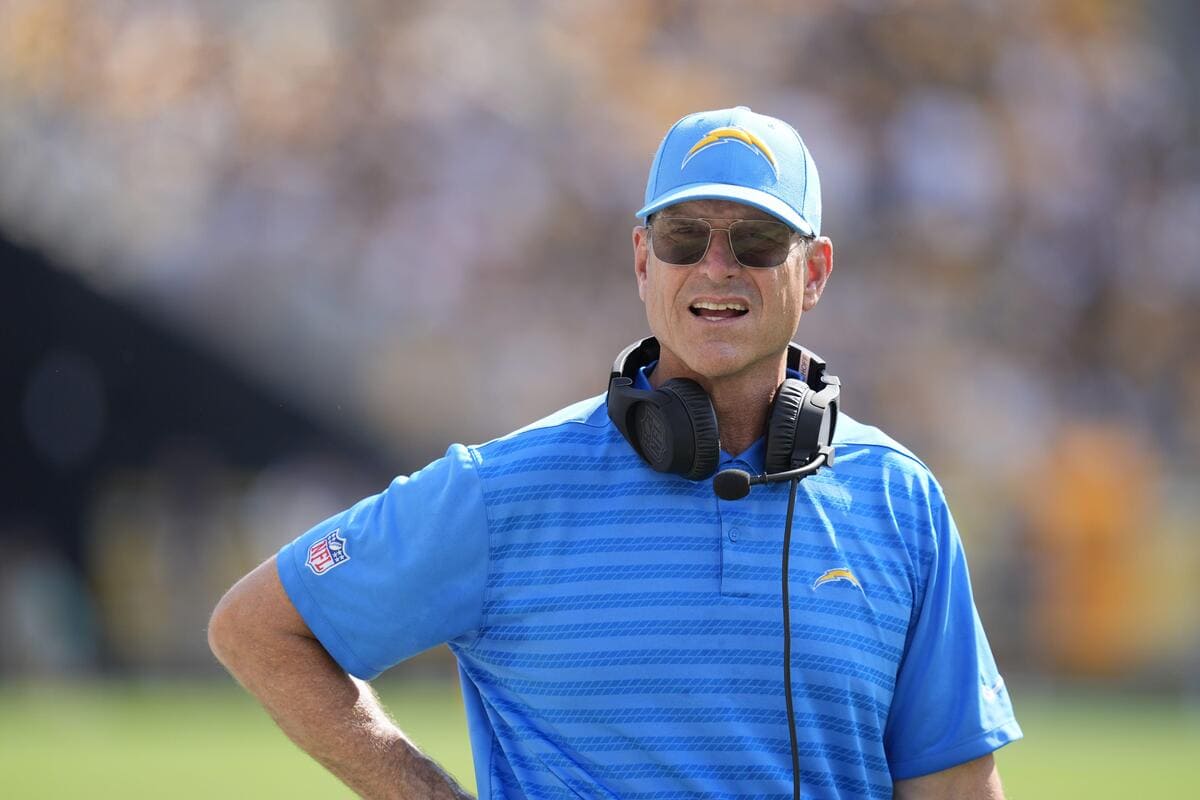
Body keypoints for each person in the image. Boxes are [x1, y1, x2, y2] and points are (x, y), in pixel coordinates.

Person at [208, 106, 1022, 800]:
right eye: (684, 235)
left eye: (757, 241)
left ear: (813, 271)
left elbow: (954, 784)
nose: (716, 265)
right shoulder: (501, 491)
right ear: (643, 258)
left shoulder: (898, 500)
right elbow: (259, 628)